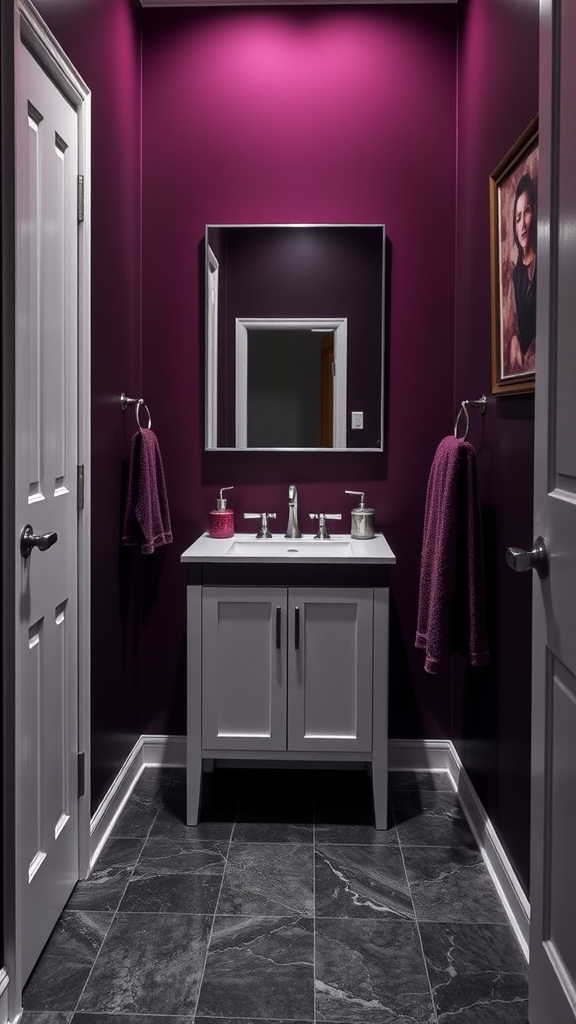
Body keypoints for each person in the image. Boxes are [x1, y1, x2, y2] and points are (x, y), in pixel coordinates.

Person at [509, 171, 536, 374]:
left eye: (526, 212)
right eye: (517, 218)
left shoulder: (546, 265)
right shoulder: (517, 274)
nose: (522, 225)